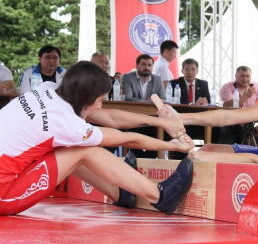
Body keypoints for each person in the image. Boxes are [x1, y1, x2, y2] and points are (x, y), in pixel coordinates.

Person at [0, 61, 193, 216]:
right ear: (87, 97)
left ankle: (121, 193)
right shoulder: (67, 124)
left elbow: (111, 117)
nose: (100, 106)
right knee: (84, 150)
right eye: (100, 100)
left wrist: (162, 123)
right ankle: (161, 196)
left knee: (67, 148)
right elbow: (125, 139)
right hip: (4, 194)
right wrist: (171, 145)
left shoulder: (48, 91)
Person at [218, 66, 258, 145]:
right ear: (236, 76)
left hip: (250, 121)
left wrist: (247, 119)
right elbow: (227, 105)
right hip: (230, 121)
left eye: (248, 76)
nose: (245, 79)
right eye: (242, 76)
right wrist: (246, 96)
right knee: (227, 133)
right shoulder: (227, 87)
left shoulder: (256, 86)